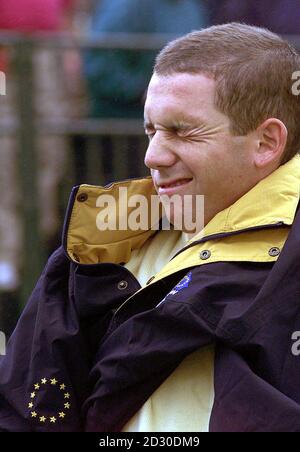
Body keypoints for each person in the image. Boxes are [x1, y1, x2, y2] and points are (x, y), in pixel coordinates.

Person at [1, 22, 300, 432]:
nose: (153, 156)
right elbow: (25, 409)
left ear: (266, 143)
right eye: (151, 130)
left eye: (182, 131)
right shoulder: (105, 237)